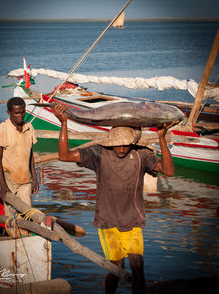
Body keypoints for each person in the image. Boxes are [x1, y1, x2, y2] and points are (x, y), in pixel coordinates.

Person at [53, 102, 176, 294]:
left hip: (133, 220)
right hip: (108, 221)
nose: (120, 148)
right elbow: (64, 156)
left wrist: (161, 138)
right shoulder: (99, 153)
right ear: (110, 141)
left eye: (125, 143)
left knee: (137, 265)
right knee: (116, 267)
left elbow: (168, 170)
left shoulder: (142, 154)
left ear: (132, 142)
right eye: (117, 143)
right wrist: (63, 123)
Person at [0, 97, 39, 219]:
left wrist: (35, 178)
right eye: (16, 113)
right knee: (12, 215)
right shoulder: (1, 130)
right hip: (8, 179)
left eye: (23, 112)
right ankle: (14, 236)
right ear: (9, 113)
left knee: (27, 212)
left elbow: (30, 156)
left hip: (25, 179)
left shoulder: (29, 127)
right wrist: (2, 185)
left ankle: (26, 235)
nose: (20, 115)